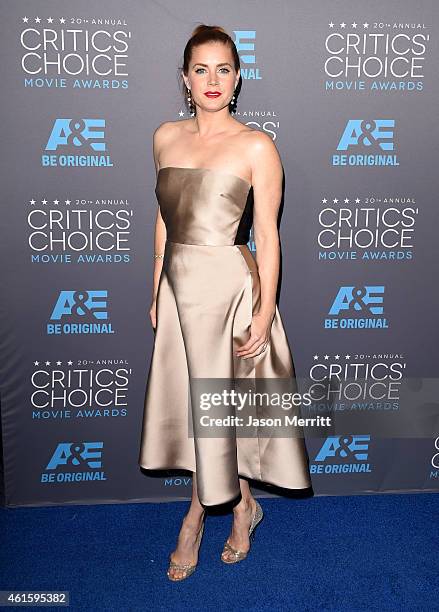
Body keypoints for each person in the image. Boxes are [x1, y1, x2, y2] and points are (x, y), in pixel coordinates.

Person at [138, 24, 311, 581]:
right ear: (185, 80)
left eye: (224, 69)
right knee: (194, 411)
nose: (212, 80)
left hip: (231, 288)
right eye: (201, 69)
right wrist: (156, 285)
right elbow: (163, 222)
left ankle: (195, 518)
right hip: (179, 288)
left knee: (216, 412)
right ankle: (241, 506)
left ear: (238, 79)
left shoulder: (257, 145)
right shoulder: (164, 137)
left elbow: (270, 235)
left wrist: (263, 313)